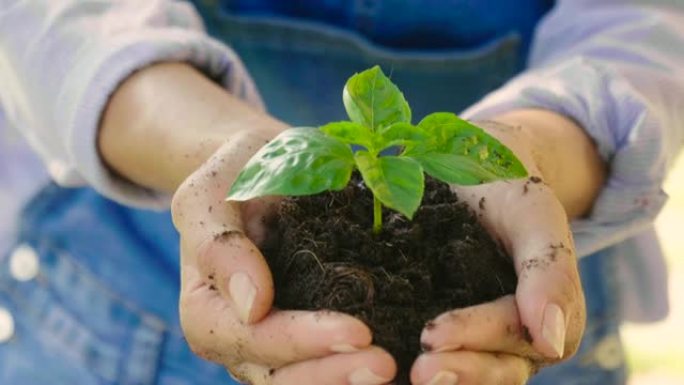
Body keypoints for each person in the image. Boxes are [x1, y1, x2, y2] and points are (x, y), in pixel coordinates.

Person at [0, 0, 681, 384]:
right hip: (114, 314)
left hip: (512, 338)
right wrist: (222, 155)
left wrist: (532, 152)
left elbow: (650, 24)